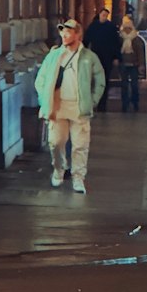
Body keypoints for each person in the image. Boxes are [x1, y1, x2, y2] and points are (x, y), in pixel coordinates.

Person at [34, 19, 105, 194]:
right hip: (58, 107)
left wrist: (92, 101)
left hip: (79, 107)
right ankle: (59, 168)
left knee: (80, 145)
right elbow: (40, 80)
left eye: (68, 32)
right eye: (62, 32)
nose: (64, 35)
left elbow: (99, 81)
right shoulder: (54, 56)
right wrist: (45, 101)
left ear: (78, 35)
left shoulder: (88, 57)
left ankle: (78, 177)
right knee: (55, 142)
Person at [83, 7, 120, 111]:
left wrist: (116, 57)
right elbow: (86, 40)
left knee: (105, 79)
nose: (104, 17)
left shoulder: (111, 27)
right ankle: (95, 100)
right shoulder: (93, 26)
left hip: (107, 57)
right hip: (95, 56)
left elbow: (116, 43)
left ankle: (103, 103)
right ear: (99, 15)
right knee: (94, 78)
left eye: (106, 15)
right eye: (103, 15)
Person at [118, 16, 145, 112]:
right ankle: (124, 103)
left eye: (129, 28)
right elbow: (117, 51)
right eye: (126, 28)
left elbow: (140, 52)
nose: (127, 30)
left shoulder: (136, 39)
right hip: (123, 64)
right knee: (124, 85)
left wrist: (141, 64)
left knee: (134, 85)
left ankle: (135, 102)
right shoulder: (120, 38)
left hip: (134, 64)